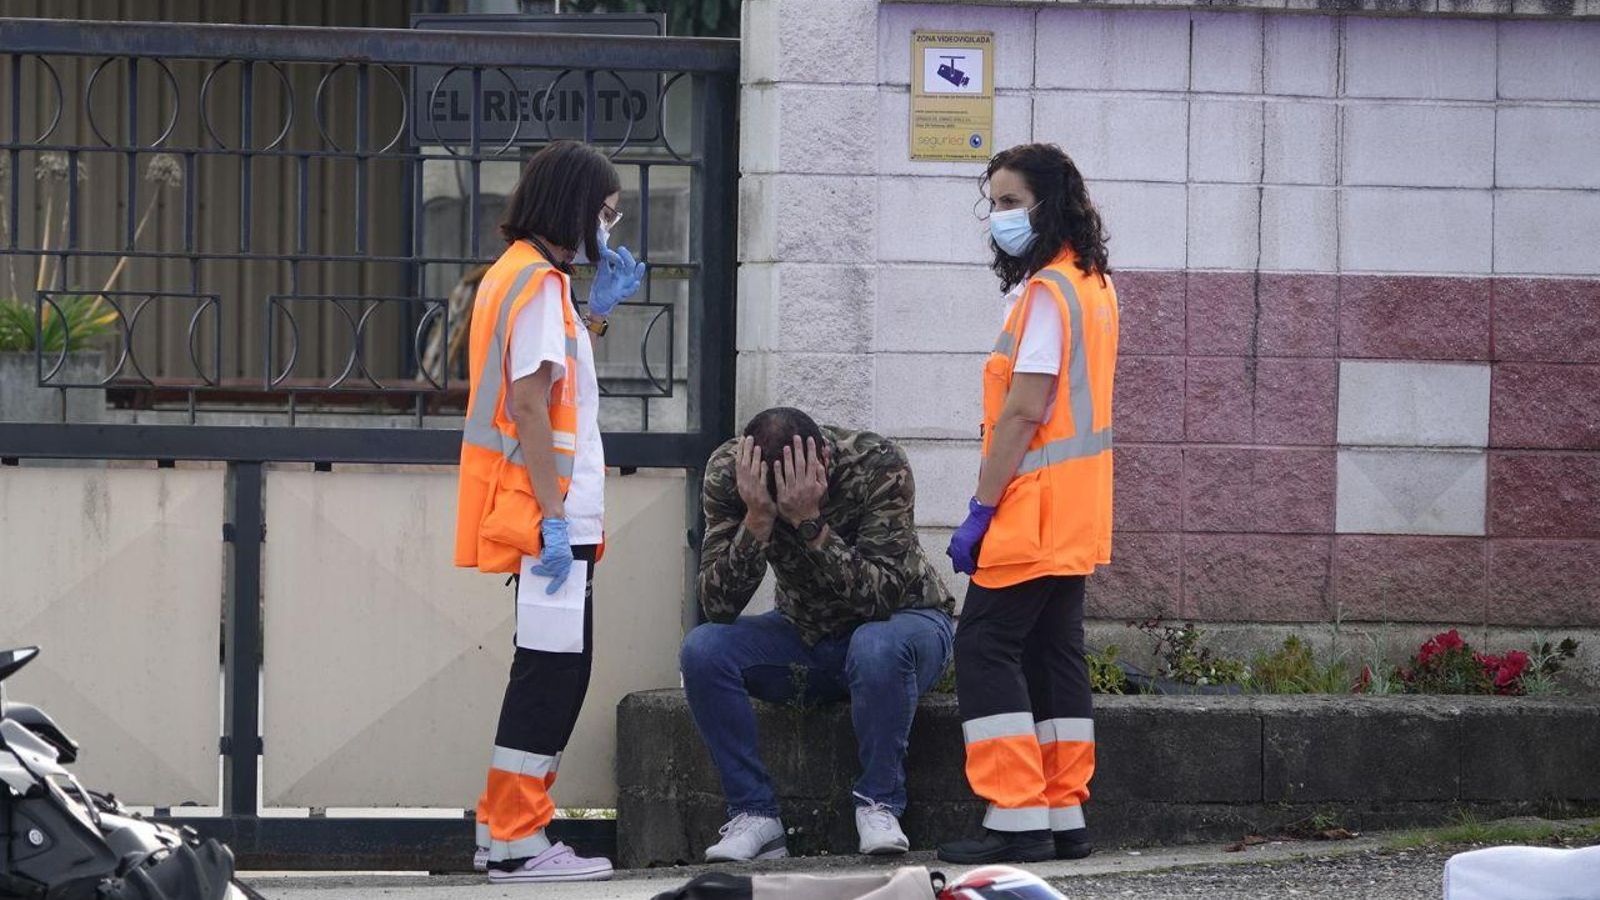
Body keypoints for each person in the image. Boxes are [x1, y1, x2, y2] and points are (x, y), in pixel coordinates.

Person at [454, 140, 645, 883]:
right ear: (572, 206)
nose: (610, 225)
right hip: (547, 517)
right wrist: (556, 518)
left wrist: (592, 317)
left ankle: (500, 829)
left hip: (540, 510)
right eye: (603, 212)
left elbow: (548, 382)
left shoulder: (528, 279)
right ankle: (517, 841)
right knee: (552, 676)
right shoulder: (535, 284)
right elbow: (530, 404)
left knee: (547, 670)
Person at [935, 143, 1119, 865]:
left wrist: (981, 509)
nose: (999, 218)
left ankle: (1015, 814)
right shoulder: (1093, 284)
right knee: (1052, 652)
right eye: (995, 203)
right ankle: (1064, 809)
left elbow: (1023, 411)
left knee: (984, 643)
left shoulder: (1047, 293)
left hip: (1032, 505)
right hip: (1076, 507)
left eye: (1011, 203)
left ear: (1050, 203)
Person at [682, 408, 956, 861]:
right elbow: (719, 605)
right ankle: (756, 816)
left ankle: (879, 803)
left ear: (822, 459)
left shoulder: (878, 464)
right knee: (703, 649)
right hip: (805, 634)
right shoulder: (730, 474)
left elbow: (879, 600)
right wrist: (756, 520)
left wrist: (810, 523)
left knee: (875, 643)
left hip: (907, 626)